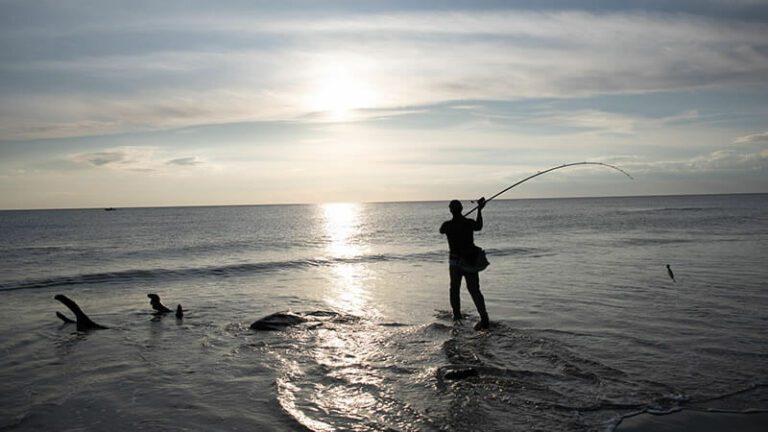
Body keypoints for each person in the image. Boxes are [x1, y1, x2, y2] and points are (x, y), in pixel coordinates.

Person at [439, 198, 490, 330]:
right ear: (461, 209)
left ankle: (457, 317)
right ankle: (484, 318)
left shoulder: (447, 225)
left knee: (454, 289)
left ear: (450, 210)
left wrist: (456, 221)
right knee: (474, 290)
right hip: (469, 261)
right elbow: (479, 226)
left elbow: (441, 230)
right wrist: (479, 210)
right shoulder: (468, 223)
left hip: (455, 262)